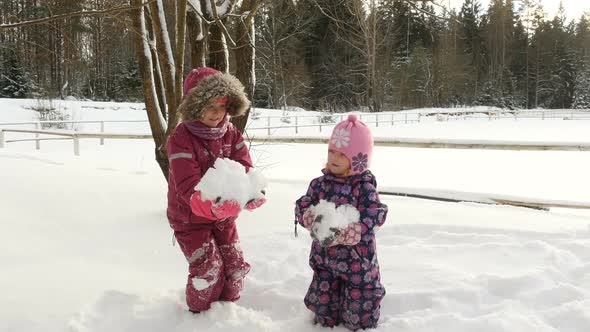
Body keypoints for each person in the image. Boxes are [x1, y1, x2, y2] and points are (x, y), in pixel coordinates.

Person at [166, 67, 265, 313]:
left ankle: (226, 313)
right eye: (209, 106)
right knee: (208, 269)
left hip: (224, 217)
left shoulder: (230, 133)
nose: (216, 113)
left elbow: (244, 167)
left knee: (235, 266)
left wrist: (250, 191)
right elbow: (187, 184)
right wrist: (205, 203)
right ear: (194, 106)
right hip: (190, 219)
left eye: (221, 106)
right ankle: (199, 316)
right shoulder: (181, 138)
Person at [294, 114, 388, 330]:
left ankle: (357, 318)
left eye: (342, 154)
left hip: (358, 263)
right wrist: (308, 216)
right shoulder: (320, 184)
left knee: (359, 313)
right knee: (323, 307)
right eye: (331, 151)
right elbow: (304, 203)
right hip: (325, 261)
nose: (334, 158)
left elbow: (375, 213)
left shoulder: (364, 187)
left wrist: (354, 230)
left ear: (358, 158)